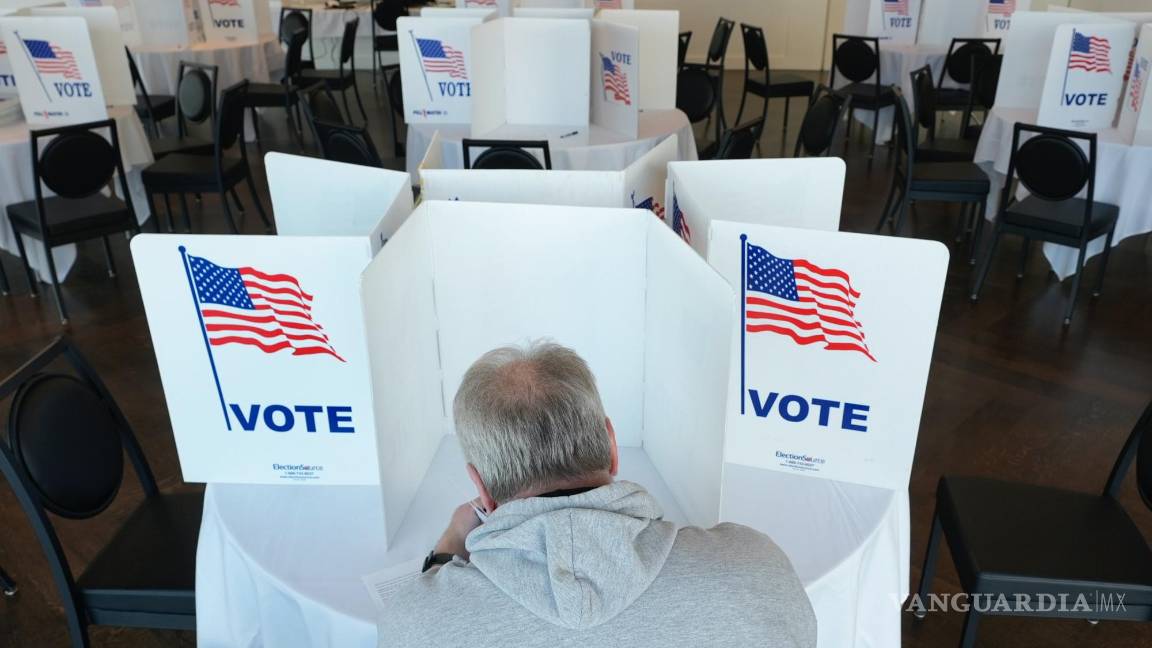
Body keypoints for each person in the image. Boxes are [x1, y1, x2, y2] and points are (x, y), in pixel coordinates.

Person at [378, 341, 817, 648]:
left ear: (483, 491)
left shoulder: (413, 627)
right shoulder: (755, 569)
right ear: (611, 444)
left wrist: (444, 555)